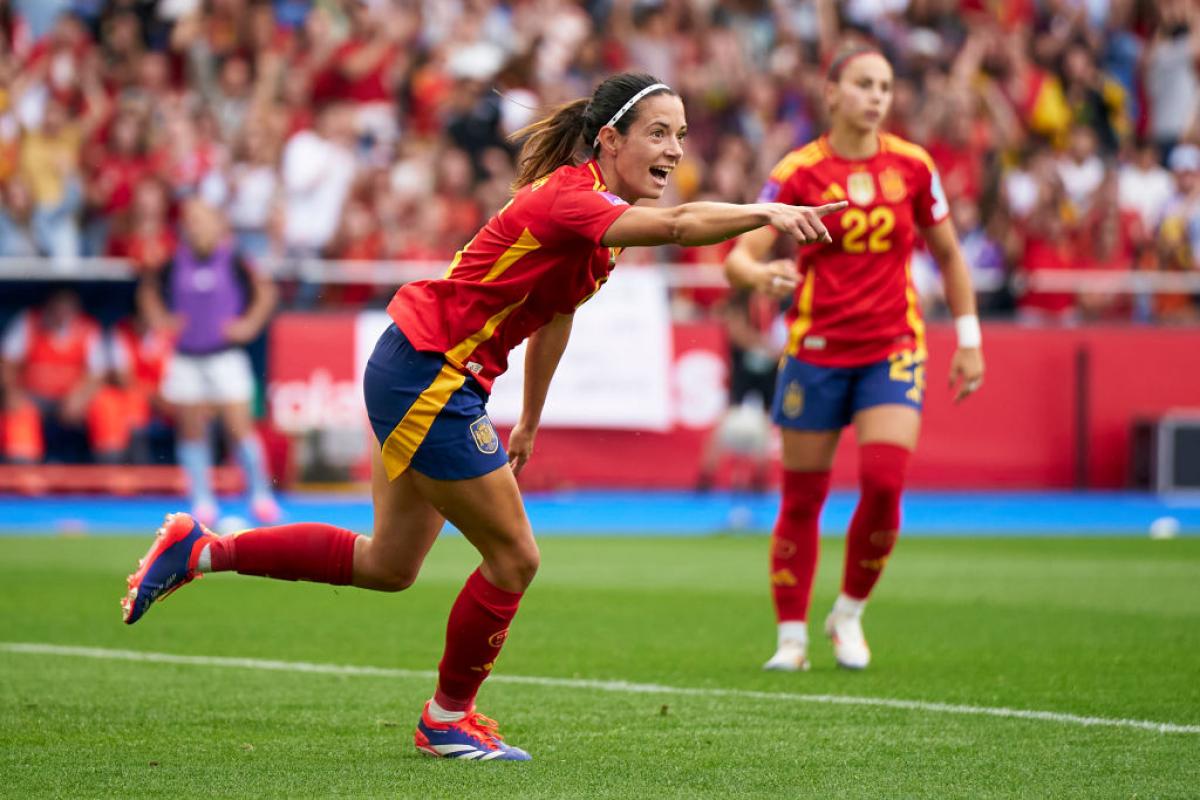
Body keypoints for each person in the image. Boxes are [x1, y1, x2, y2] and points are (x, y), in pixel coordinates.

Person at [119, 72, 845, 762]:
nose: (676, 150)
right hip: (428, 373)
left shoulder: (591, 218)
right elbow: (684, 223)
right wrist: (765, 211)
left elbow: (556, 313)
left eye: (681, 135)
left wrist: (529, 417)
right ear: (610, 141)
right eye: (659, 133)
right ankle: (445, 720)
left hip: (422, 369)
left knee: (388, 564)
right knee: (516, 557)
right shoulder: (573, 198)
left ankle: (202, 549)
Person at [724, 48, 986, 673]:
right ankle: (791, 635)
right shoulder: (799, 170)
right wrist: (762, 275)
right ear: (832, 92)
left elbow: (949, 256)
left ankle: (848, 613)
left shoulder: (913, 167)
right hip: (815, 351)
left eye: (885, 86)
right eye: (863, 84)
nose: (876, 96)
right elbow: (738, 254)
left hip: (893, 347)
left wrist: (971, 338)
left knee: (884, 480)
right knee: (802, 496)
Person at [136, 199, 280, 526]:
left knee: (239, 428)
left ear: (218, 225)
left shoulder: (234, 260)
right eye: (191, 220)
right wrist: (160, 319)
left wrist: (250, 324)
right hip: (186, 357)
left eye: (202, 220)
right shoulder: (173, 261)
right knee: (190, 431)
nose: (196, 226)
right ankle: (202, 499)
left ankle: (260, 495)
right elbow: (148, 289)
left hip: (225, 355)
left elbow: (265, 292)